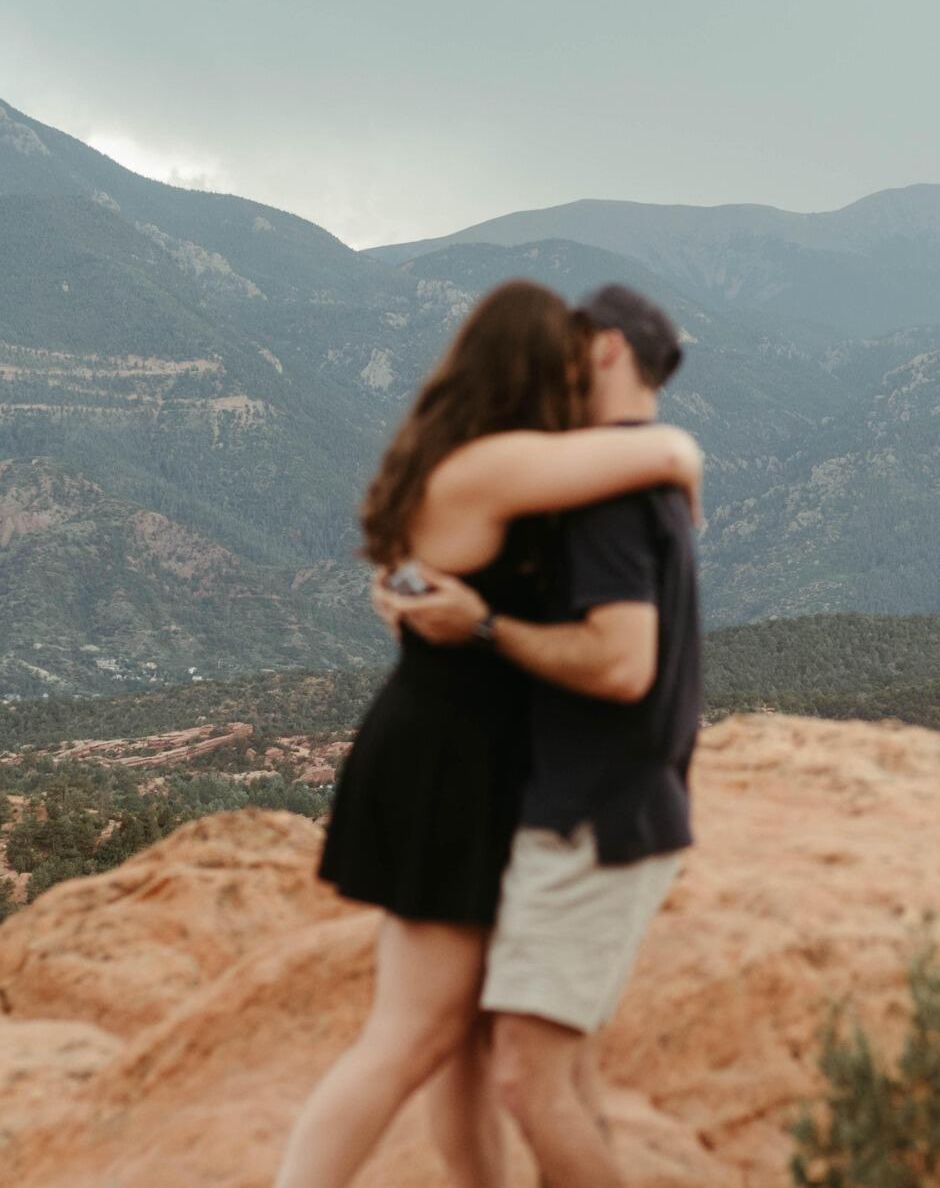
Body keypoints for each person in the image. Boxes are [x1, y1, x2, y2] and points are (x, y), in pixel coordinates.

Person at [273, 280, 704, 1188]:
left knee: (462, 1048)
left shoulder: (461, 459)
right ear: (526, 369)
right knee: (412, 1036)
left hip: (464, 755)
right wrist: (682, 455)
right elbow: (659, 447)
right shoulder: (493, 463)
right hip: (448, 765)